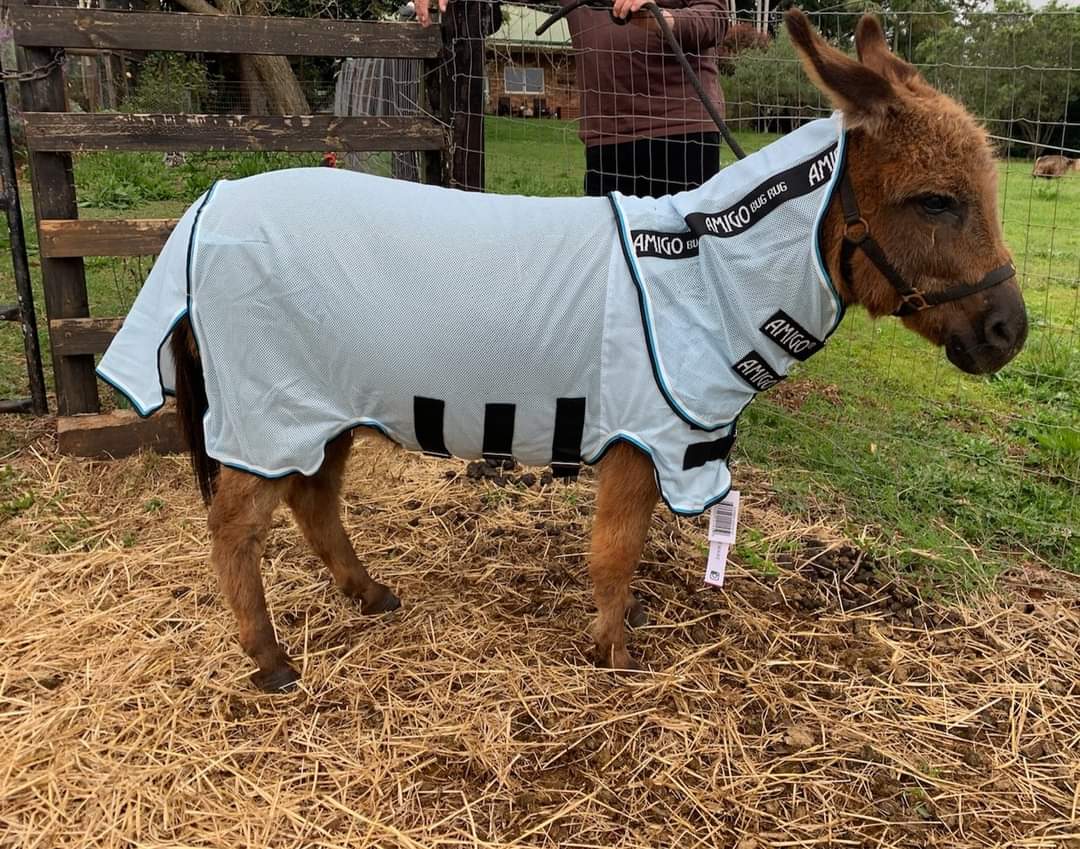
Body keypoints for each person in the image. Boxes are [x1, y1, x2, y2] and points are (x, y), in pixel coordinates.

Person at [418, 0, 728, 198]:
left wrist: (665, 18)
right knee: (612, 261)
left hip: (682, 131)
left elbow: (716, 17)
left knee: (686, 262)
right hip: (607, 138)